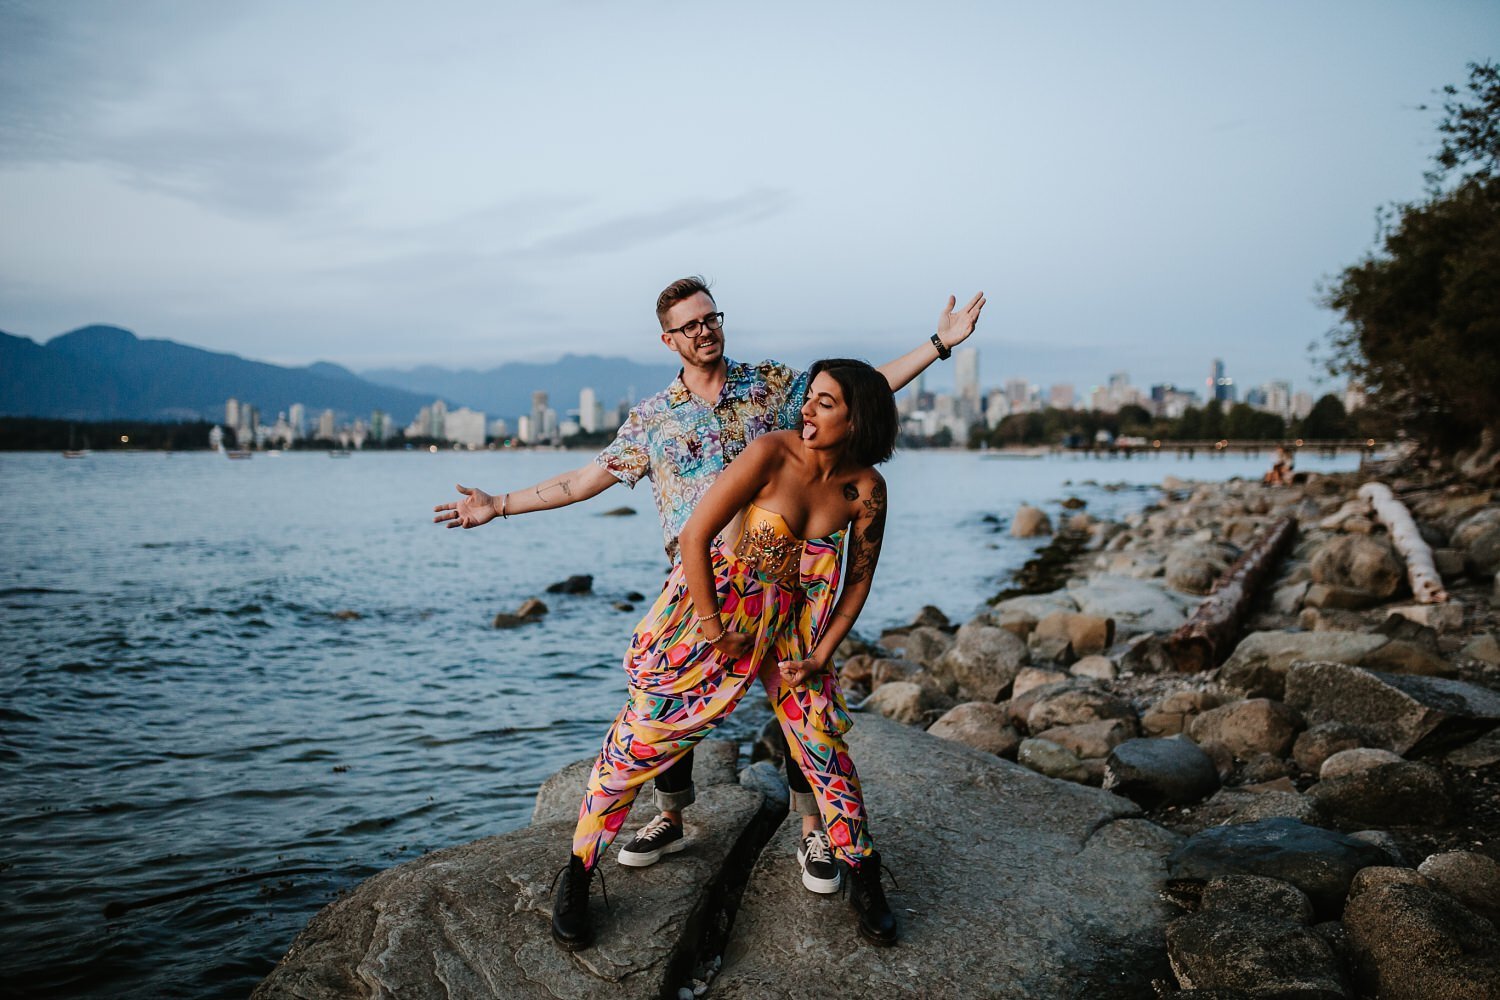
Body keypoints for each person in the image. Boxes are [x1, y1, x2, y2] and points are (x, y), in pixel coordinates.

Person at [433, 276, 983, 888]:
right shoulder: (653, 419)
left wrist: (939, 344)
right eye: (689, 325)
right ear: (668, 340)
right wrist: (500, 503)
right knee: (670, 708)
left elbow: (854, 396)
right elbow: (583, 481)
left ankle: (812, 832)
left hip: (787, 584)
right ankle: (671, 817)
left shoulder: (770, 387)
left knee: (805, 704)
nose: (704, 330)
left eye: (710, 317)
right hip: (700, 586)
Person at [552, 358, 900, 951]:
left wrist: (822, 655)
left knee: (822, 743)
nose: (807, 410)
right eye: (809, 397)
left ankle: (865, 873)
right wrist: (715, 631)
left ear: (857, 417)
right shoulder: (770, 452)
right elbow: (694, 534)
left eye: (824, 402)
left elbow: (858, 582)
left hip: (793, 625)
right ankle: (579, 873)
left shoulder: (865, 489)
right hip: (714, 612)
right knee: (642, 740)